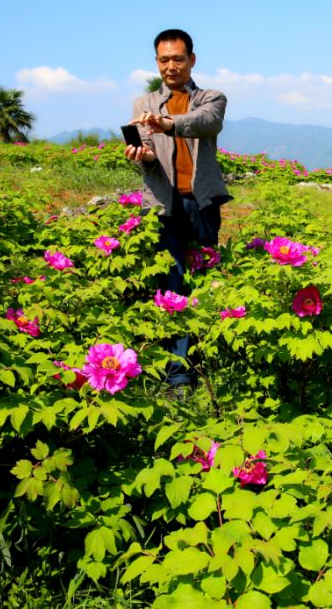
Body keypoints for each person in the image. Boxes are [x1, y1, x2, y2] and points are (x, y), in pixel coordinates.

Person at [125, 29, 231, 392]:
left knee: (204, 283)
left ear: (192, 60)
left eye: (177, 59)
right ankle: (178, 374)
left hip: (201, 201)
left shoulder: (210, 98)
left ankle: (205, 360)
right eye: (163, 60)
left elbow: (206, 123)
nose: (170, 66)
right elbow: (147, 158)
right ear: (156, 62)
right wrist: (144, 157)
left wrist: (167, 124)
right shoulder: (143, 104)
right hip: (164, 206)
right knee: (172, 285)